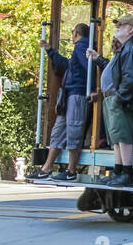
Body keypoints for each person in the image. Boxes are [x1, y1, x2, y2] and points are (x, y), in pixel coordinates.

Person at [86, 16, 133, 187]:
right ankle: (118, 171)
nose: (117, 28)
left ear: (131, 29)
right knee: (116, 138)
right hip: (113, 97)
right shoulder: (125, 48)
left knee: (122, 137)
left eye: (121, 25)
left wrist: (119, 97)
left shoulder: (131, 48)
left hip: (119, 99)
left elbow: (130, 76)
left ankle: (126, 172)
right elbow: (115, 71)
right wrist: (98, 59)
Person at [30, 23, 91, 181]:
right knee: (60, 130)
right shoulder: (80, 48)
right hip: (70, 94)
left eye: (72, 32)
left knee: (73, 130)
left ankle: (70, 170)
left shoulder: (81, 46)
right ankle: (46, 168)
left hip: (76, 93)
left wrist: (91, 88)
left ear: (75, 32)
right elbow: (69, 66)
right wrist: (50, 50)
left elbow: (88, 69)